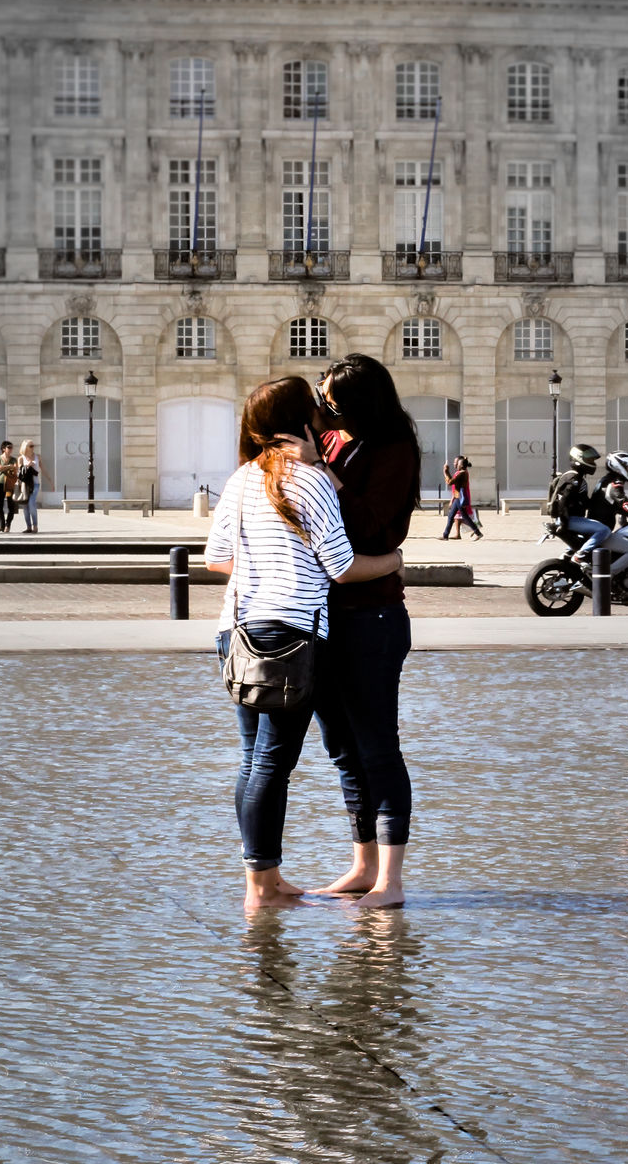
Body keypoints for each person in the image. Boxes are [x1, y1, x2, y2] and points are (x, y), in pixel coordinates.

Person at [205, 376, 404, 911]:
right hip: (290, 636)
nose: (324, 411)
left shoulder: (242, 478)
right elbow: (341, 568)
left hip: (235, 632)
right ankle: (263, 892)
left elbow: (216, 558)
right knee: (273, 762)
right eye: (315, 406)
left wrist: (263, 568)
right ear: (300, 420)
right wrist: (393, 562)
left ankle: (262, 880)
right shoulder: (311, 481)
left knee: (252, 761)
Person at [277, 354, 421, 908]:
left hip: (373, 616)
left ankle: (391, 880)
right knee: (341, 748)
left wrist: (325, 472)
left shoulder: (394, 451)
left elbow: (371, 528)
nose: (323, 406)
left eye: (331, 399)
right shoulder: (335, 440)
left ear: (360, 405)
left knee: (378, 745)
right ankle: (363, 865)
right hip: (327, 614)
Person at [548, 444, 610, 564]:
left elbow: (583, 502)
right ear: (578, 459)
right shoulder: (574, 479)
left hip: (566, 519)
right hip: (569, 519)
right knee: (604, 530)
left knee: (584, 538)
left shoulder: (573, 476)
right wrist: (564, 523)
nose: (593, 463)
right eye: (589, 460)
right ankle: (581, 555)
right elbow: (563, 501)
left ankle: (566, 557)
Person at [442, 456, 483, 541]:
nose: (456, 465)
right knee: (451, 516)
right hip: (458, 498)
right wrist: (447, 472)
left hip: (460, 499)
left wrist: (445, 471)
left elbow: (450, 482)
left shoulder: (462, 473)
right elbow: (452, 481)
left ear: (461, 465)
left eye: (458, 464)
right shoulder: (462, 472)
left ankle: (478, 532)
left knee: (465, 517)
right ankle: (445, 535)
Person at [17, 440, 50, 534]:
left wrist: (50, 480)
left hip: (35, 484)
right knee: (25, 506)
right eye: (30, 446)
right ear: (25, 447)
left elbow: (43, 469)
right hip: (24, 485)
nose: (32, 447)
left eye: (33, 445)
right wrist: (27, 465)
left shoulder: (37, 457)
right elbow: (19, 472)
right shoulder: (21, 458)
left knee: (31, 503)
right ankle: (28, 527)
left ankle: (35, 526)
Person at [0, 440, 18, 533]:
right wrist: (9, 466)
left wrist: (6, 467)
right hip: (0, 483)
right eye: (9, 447)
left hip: (9, 485)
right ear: (3, 449)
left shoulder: (14, 459)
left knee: (11, 504)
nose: (11, 449)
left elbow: (15, 468)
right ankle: (2, 525)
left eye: (12, 447)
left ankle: (8, 525)